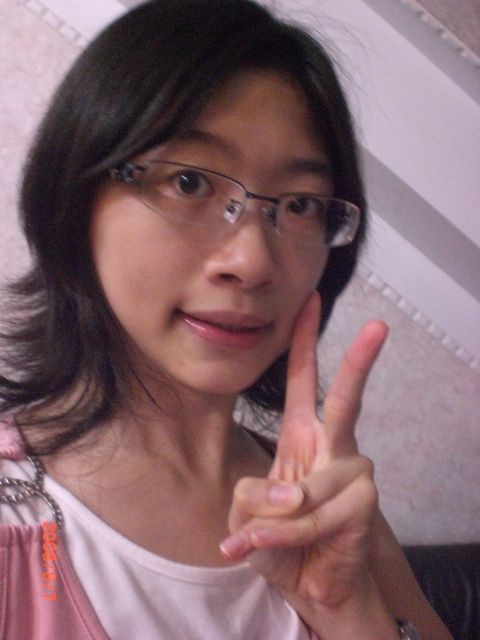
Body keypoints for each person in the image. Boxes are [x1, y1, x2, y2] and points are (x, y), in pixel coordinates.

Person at [0, 1, 452, 638]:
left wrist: (350, 609)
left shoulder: (327, 502)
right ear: (75, 197)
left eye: (300, 204)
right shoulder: (15, 520)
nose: (253, 261)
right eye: (189, 182)